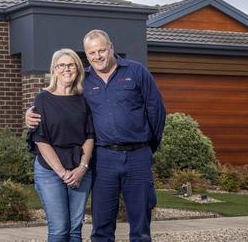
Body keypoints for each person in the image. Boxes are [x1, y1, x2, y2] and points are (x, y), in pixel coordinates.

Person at [26, 29, 166, 242]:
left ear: (111, 47)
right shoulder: (85, 81)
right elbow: (57, 103)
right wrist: (30, 114)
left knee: (140, 226)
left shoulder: (137, 72)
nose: (98, 56)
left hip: (138, 156)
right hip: (103, 159)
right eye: (92, 53)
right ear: (86, 54)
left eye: (102, 50)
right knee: (101, 226)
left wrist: (148, 147)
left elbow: (156, 111)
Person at [26, 48, 95, 242]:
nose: (67, 69)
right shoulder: (42, 99)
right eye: (62, 65)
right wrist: (62, 173)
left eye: (71, 64)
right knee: (59, 229)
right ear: (54, 70)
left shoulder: (84, 99)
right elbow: (41, 139)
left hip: (80, 168)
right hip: (50, 170)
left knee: (75, 229)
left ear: (78, 69)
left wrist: (82, 168)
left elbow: (90, 135)